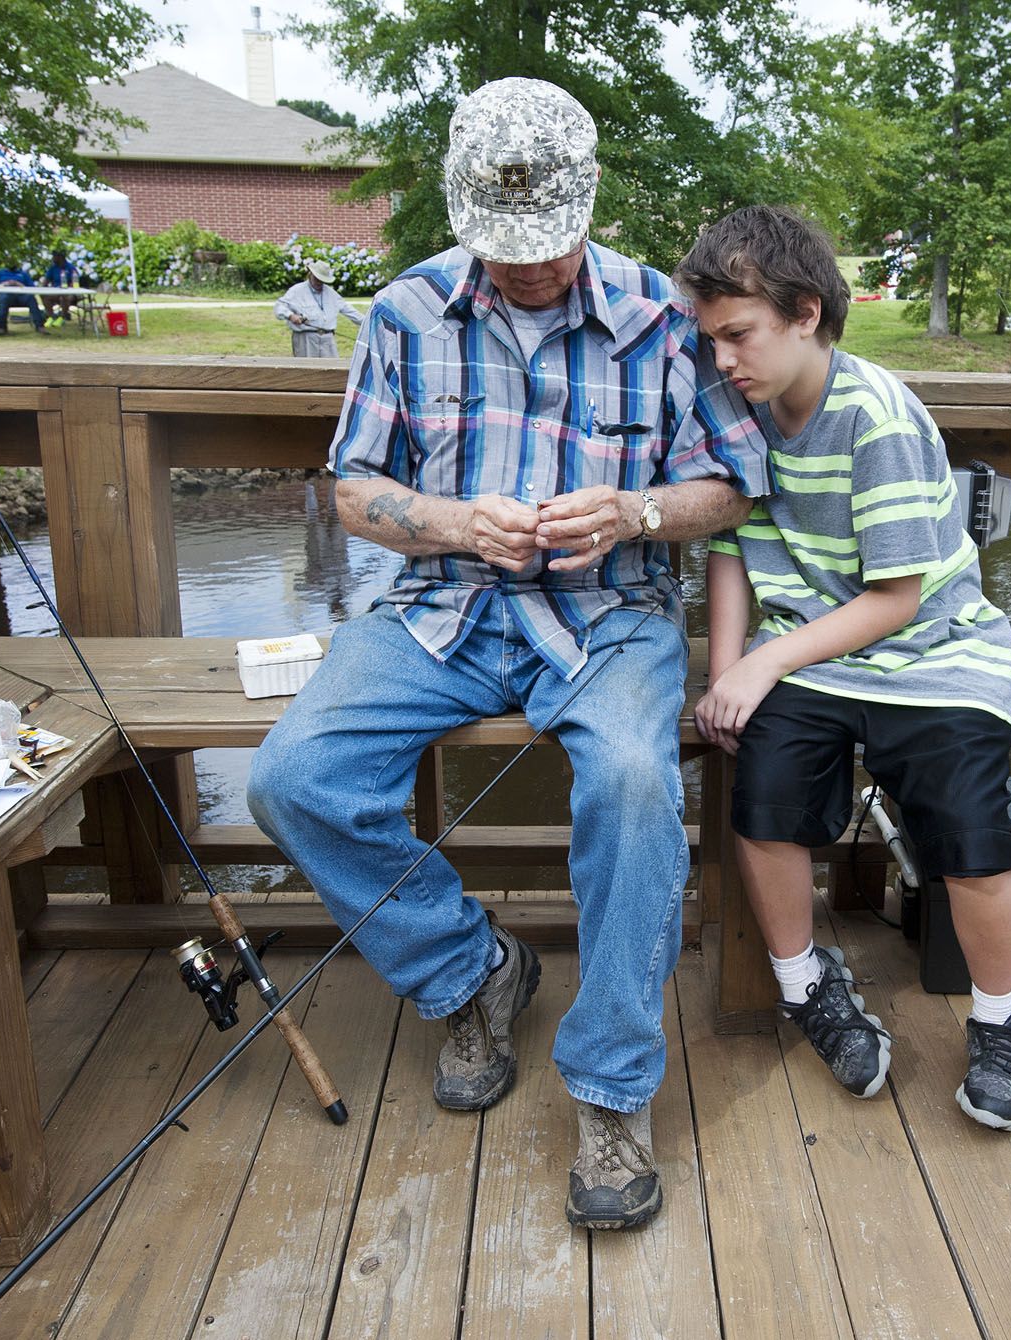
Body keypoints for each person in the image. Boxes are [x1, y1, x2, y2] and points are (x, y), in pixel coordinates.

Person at [245, 78, 767, 1231]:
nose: (527, 265)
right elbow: (356, 490)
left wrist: (633, 515)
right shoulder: (403, 310)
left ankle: (611, 1087)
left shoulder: (663, 316)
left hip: (612, 612)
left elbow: (729, 490)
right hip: (441, 604)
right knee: (290, 780)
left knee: (633, 785)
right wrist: (449, 522)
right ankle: (466, 969)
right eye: (502, 244)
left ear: (588, 199)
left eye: (547, 242)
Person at [677, 205, 1011, 1133]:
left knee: (969, 836)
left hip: (933, 650)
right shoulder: (737, 408)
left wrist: (762, 666)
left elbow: (896, 600)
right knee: (765, 804)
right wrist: (728, 673)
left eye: (738, 336)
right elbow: (730, 547)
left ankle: (1000, 1019)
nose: (723, 361)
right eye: (711, 340)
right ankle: (807, 986)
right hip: (815, 651)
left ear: (805, 313)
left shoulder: (875, 416)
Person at [0, 261, 44, 335]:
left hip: (21, 296)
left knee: (31, 299)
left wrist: (19, 284)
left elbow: (32, 287)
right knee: (4, 299)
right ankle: (1, 328)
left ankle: (40, 326)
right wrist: (6, 284)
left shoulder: (23, 274)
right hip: (7, 295)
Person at [43, 249, 82, 324]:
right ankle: (51, 317)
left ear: (60, 257)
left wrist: (67, 286)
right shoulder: (53, 268)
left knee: (64, 297)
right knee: (45, 296)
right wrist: (44, 287)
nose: (53, 258)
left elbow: (75, 282)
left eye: (54, 256)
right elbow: (46, 281)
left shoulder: (70, 268)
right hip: (56, 292)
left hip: (69, 293)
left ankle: (62, 317)